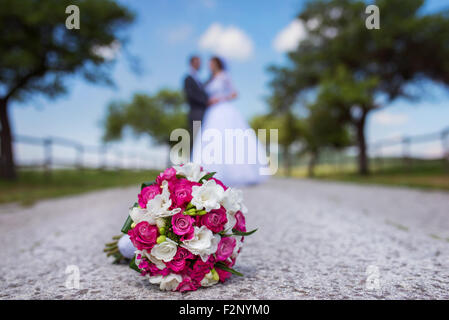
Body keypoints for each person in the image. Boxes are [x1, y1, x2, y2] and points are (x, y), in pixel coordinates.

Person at [192, 56, 268, 187]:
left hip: (223, 109)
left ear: (217, 64)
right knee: (211, 140)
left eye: (212, 63)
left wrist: (221, 98)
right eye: (209, 64)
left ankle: (236, 173)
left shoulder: (224, 76)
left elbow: (235, 93)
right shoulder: (209, 80)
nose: (210, 66)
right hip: (212, 113)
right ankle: (209, 174)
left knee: (229, 138)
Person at [183, 55, 208, 156]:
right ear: (192, 63)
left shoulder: (199, 80)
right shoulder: (188, 79)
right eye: (197, 62)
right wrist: (206, 101)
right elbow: (191, 95)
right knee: (195, 139)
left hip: (204, 113)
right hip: (196, 114)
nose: (199, 64)